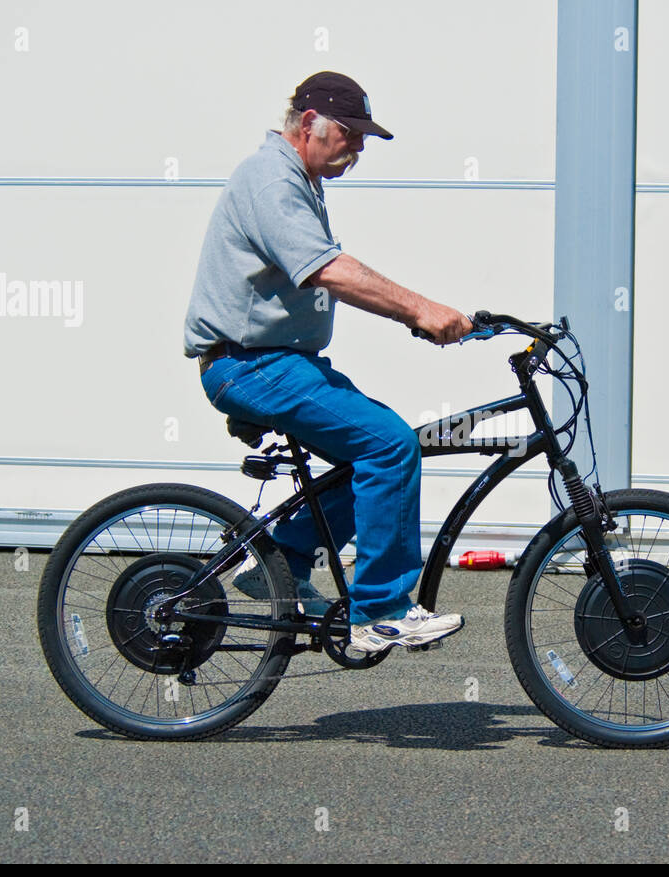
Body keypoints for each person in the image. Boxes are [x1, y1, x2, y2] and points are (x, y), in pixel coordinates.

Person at [184, 71, 472, 652]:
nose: (359, 148)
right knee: (389, 445)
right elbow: (328, 269)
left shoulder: (298, 180)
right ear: (309, 123)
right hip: (252, 365)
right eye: (351, 133)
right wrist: (418, 309)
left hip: (277, 363)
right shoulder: (272, 180)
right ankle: (382, 612)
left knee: (369, 455)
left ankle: (285, 561)